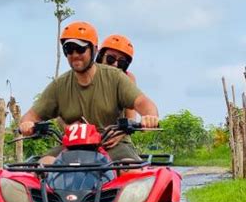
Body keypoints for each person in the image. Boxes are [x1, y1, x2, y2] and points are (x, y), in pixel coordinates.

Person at [19, 21, 159, 162]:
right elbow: (31, 115)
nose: (74, 54)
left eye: (80, 49)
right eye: (69, 49)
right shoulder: (59, 85)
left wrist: (150, 116)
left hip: (112, 144)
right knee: (43, 165)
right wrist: (27, 124)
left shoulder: (115, 77)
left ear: (94, 50)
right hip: (73, 146)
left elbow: (142, 102)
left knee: (129, 169)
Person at [96, 34, 137, 120]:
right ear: (100, 57)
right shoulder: (87, 74)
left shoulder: (128, 78)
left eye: (121, 62)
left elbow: (131, 116)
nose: (115, 64)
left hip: (114, 131)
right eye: (110, 59)